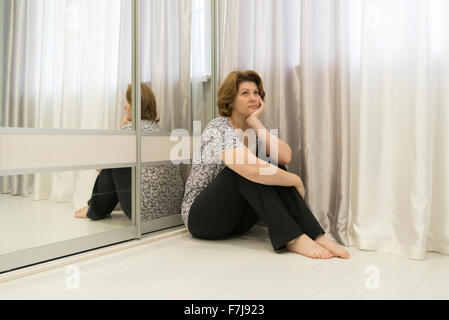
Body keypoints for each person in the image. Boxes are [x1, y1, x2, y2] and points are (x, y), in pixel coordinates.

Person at [181, 70, 350, 259]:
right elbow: (250, 169)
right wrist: (295, 180)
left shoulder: (256, 130)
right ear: (230, 100)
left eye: (256, 93)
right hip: (202, 219)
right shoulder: (218, 127)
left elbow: (285, 157)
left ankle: (316, 235)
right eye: (245, 93)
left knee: (274, 166)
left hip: (236, 223)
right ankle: (293, 238)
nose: (253, 98)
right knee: (243, 170)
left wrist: (256, 123)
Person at [75, 83, 184, 221]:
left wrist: (123, 129)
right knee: (119, 160)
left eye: (128, 102)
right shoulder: (160, 132)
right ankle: (94, 207)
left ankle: (94, 210)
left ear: (136, 105)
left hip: (145, 212)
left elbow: (100, 167)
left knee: (113, 166)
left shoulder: (131, 132)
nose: (124, 107)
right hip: (171, 210)